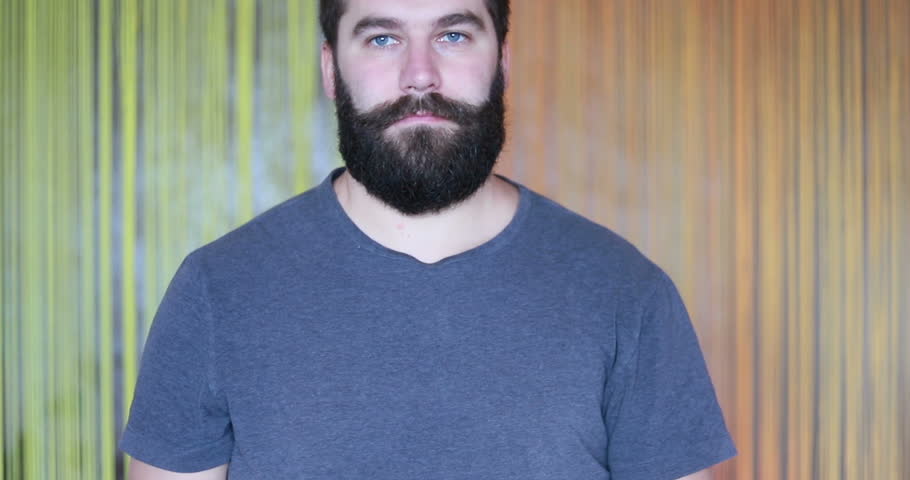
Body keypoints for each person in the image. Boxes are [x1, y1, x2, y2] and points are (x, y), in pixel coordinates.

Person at [119, 0, 737, 478]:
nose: (421, 74)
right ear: (332, 69)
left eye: (453, 34)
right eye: (383, 37)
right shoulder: (217, 291)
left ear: (503, 62)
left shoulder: (627, 295)